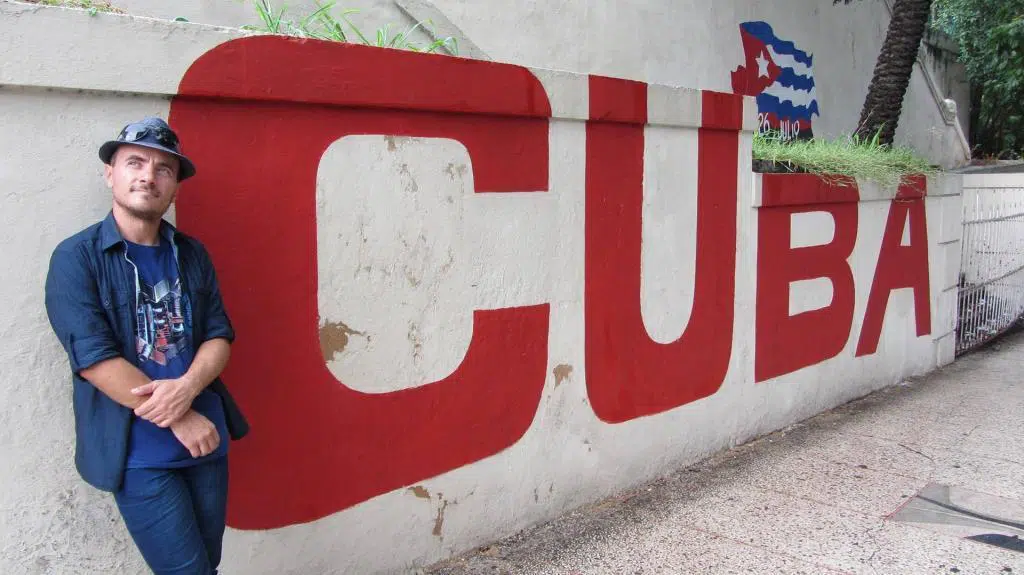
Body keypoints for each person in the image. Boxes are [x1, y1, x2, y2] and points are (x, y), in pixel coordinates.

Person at [44, 117, 248, 575]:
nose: (148, 177)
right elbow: (93, 358)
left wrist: (188, 388)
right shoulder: (76, 258)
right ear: (110, 174)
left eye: (163, 169)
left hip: (205, 441)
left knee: (208, 564)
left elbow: (219, 334)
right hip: (139, 453)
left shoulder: (191, 254)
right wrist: (180, 416)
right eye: (135, 163)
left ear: (174, 185)